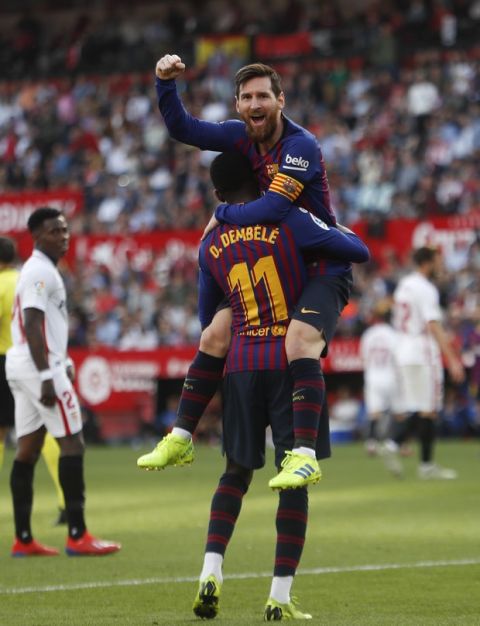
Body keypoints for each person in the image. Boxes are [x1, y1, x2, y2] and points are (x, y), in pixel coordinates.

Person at [140, 152, 369, 619]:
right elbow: (355, 250)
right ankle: (279, 597)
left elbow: (209, 319)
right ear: (261, 182)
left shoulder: (210, 244)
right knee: (293, 482)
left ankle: (210, 569)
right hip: (291, 362)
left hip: (242, 364)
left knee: (234, 475)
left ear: (219, 195)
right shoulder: (288, 221)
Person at [143, 54, 355, 487]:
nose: (255, 103)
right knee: (213, 335)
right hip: (277, 258)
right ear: (238, 105)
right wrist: (165, 84)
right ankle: (181, 436)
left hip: (319, 265)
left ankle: (305, 455)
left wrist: (223, 213)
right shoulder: (240, 136)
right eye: (246, 97)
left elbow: (277, 207)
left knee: (299, 340)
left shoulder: (301, 145)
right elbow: (184, 129)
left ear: (280, 100)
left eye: (263, 95)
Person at [6, 208, 121, 556]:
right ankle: (77, 535)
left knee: (26, 451)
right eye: (55, 231)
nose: (64, 236)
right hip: (38, 368)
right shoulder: (41, 271)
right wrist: (47, 373)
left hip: (20, 364)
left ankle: (23, 539)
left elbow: (42, 326)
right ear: (37, 235)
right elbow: (32, 322)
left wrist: (61, 360)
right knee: (73, 444)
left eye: (65, 229)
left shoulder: (37, 269)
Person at [381, 246, 465, 479]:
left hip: (403, 349)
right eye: (438, 259)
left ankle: (400, 447)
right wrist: (452, 359)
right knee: (429, 409)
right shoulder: (426, 288)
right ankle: (403, 449)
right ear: (427, 262)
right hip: (422, 349)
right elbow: (433, 324)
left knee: (418, 406)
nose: (441, 264)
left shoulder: (404, 285)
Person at [0, 236, 66, 525]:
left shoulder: (2, 285)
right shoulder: (27, 277)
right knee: (46, 430)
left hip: (6, 360)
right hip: (38, 358)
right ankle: (66, 500)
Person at [359, 298, 404, 455]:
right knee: (399, 412)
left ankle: (371, 443)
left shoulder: (368, 334)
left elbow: (363, 357)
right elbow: (399, 358)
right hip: (391, 376)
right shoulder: (394, 334)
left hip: (373, 376)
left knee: (374, 412)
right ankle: (395, 444)